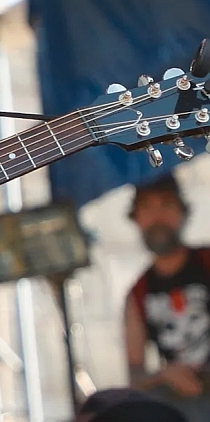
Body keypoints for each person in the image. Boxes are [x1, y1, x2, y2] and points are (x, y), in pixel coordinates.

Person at [124, 173, 210, 419]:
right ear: (136, 218)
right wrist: (165, 375)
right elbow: (135, 375)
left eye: (166, 205)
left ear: (182, 211)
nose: (157, 217)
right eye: (147, 208)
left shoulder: (207, 262)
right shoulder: (138, 293)